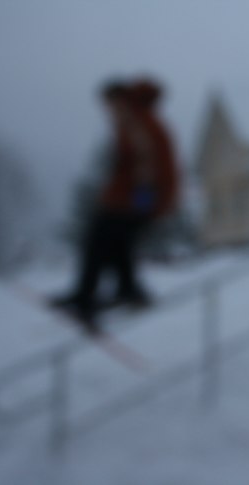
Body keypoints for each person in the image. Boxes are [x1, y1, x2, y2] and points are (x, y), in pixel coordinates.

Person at [53, 78, 179, 333]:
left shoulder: (135, 120)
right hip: (142, 196)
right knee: (119, 240)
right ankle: (128, 289)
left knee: (98, 238)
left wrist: (143, 200)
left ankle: (85, 298)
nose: (108, 111)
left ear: (120, 100)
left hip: (140, 196)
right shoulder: (139, 118)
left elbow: (145, 160)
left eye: (109, 105)